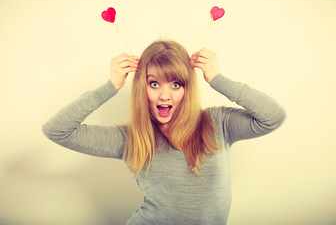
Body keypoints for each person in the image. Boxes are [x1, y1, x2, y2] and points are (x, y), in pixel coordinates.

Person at [42, 40, 286, 225]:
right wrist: (110, 86)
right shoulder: (130, 138)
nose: (165, 95)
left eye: (176, 84)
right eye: (154, 83)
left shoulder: (218, 123)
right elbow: (57, 130)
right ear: (142, 88)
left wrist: (217, 79)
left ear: (187, 88)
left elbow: (272, 116)